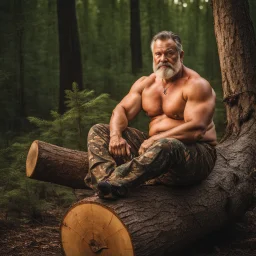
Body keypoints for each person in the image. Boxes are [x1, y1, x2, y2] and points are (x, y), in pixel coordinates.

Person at [84, 31, 217, 199]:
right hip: (155, 151)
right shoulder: (146, 83)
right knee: (98, 131)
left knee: (167, 144)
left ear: (180, 55)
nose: (163, 59)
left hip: (194, 156)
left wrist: (154, 140)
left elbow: (196, 129)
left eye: (169, 53)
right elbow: (121, 110)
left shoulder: (196, 85)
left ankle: (116, 181)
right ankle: (107, 186)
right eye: (158, 54)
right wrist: (116, 136)